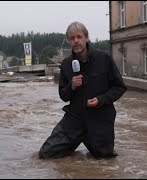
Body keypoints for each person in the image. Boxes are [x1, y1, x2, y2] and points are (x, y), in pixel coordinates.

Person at [39, 22, 127, 159]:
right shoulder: (67, 64)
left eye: (79, 37)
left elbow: (119, 87)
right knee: (46, 154)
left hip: (100, 119)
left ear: (86, 38)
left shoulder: (103, 58)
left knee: (105, 160)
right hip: (75, 119)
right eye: (72, 38)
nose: (76, 41)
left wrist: (100, 100)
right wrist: (72, 86)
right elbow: (63, 95)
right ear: (68, 41)